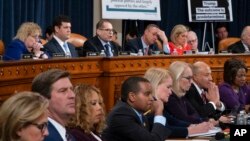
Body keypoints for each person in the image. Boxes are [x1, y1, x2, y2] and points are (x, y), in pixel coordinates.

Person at [144, 67, 212, 138]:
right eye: (168, 87)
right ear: (155, 85)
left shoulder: (159, 104)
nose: (170, 92)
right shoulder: (148, 107)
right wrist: (190, 130)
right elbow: (165, 130)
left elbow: (173, 121)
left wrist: (192, 126)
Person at [102, 76, 171, 141]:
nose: (152, 98)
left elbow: (164, 133)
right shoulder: (121, 115)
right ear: (132, 97)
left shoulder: (138, 112)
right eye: (147, 94)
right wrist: (158, 113)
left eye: (151, 94)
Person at [31, 69, 76, 141]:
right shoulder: (43, 136)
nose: (72, 95)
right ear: (43, 99)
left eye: (71, 89)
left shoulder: (68, 134)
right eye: (63, 91)